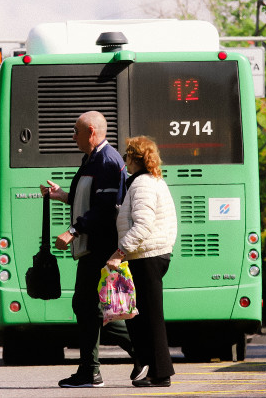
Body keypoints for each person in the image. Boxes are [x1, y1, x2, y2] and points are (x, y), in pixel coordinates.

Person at [41, 111, 142, 388]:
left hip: (101, 245)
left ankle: (105, 365)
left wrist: (73, 231)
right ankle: (97, 368)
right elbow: (87, 199)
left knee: (88, 306)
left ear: (90, 132)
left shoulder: (107, 161)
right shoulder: (91, 159)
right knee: (89, 306)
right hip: (92, 246)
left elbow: (106, 209)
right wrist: (61, 195)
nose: (72, 137)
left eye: (75, 131)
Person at [106, 135, 177, 387]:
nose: (124, 160)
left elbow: (144, 224)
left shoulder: (143, 185)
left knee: (151, 317)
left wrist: (119, 252)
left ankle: (161, 373)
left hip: (147, 256)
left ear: (133, 158)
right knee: (144, 316)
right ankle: (153, 368)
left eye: (126, 155)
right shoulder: (148, 182)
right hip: (150, 254)